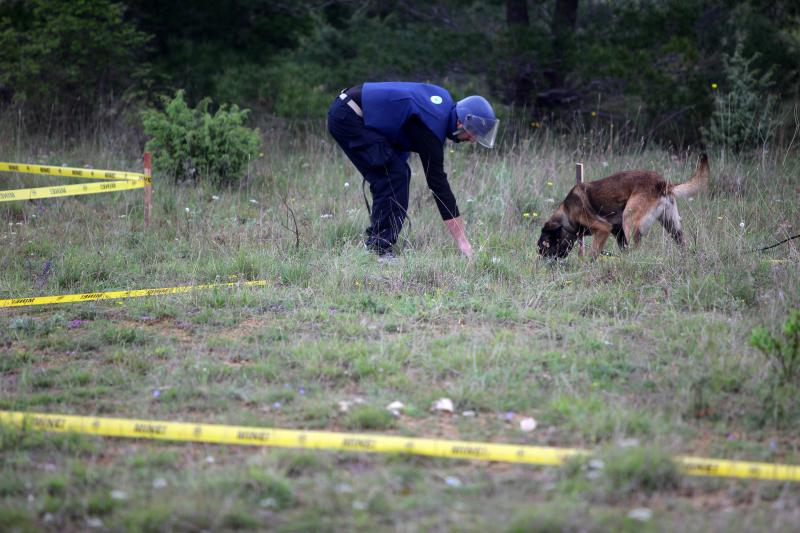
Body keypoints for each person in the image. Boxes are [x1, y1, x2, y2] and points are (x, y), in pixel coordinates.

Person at [327, 82, 499, 259]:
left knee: (397, 173)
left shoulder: (441, 105)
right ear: (461, 123)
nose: (472, 140)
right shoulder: (431, 128)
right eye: (473, 134)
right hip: (348, 116)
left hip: (350, 110)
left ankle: (379, 242)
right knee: (393, 175)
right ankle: (379, 249)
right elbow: (438, 185)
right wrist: (462, 241)